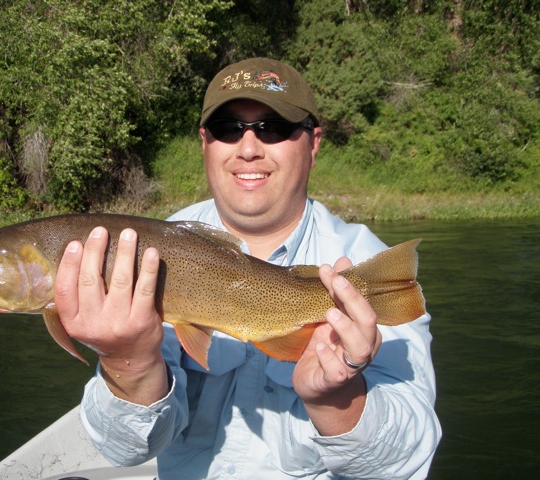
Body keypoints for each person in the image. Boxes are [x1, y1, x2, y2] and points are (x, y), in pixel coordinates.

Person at [54, 57, 441, 479]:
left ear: (313, 143)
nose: (249, 148)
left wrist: (338, 400)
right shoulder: (147, 256)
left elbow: (406, 462)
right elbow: (127, 449)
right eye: (228, 128)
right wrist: (128, 363)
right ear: (205, 142)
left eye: (273, 127)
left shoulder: (365, 268)